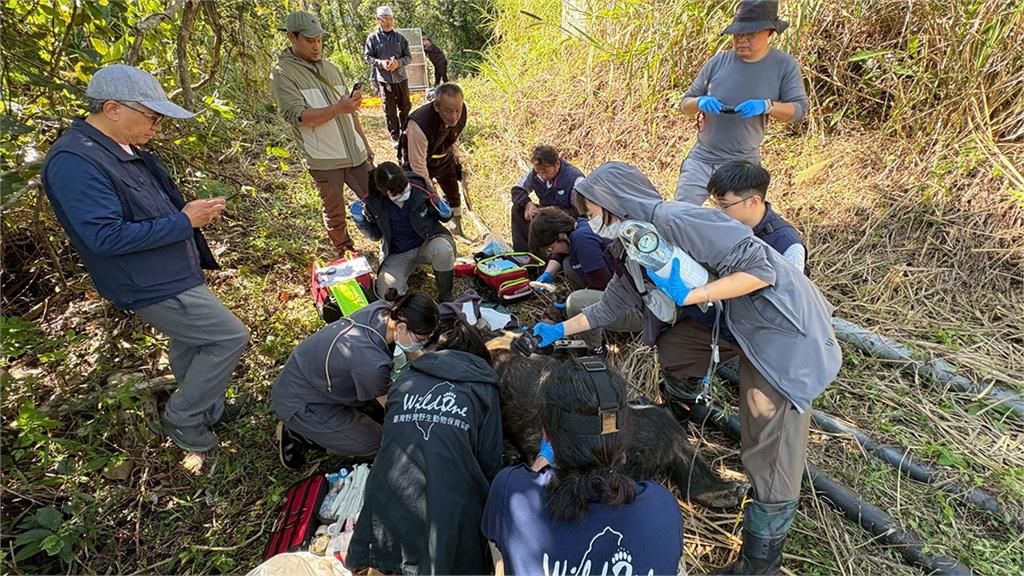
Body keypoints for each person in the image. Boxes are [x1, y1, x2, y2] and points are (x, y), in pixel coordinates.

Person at [531, 162, 841, 575]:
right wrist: (559, 329)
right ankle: (684, 409)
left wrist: (694, 293)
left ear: (613, 203)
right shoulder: (633, 245)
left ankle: (760, 560)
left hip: (779, 329)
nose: (589, 222)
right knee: (676, 346)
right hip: (736, 322)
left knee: (768, 442)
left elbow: (760, 270)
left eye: (591, 212)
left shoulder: (676, 220)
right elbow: (611, 304)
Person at [41, 65, 249, 454]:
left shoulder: (118, 147)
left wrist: (187, 217)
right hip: (150, 281)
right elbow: (104, 237)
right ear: (113, 109)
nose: (156, 126)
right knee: (228, 337)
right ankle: (184, 417)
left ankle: (208, 408)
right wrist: (184, 221)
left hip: (172, 269)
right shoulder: (75, 161)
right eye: (151, 116)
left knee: (191, 341)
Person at [482, 360, 683, 575]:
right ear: (625, 436)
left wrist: (539, 464)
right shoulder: (661, 507)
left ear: (546, 435)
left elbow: (499, 555)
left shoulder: (510, 490)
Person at [348, 318, 503, 574]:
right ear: (478, 355)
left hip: (384, 502)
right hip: (448, 512)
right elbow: (490, 460)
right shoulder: (483, 388)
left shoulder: (404, 380)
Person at [271, 291, 438, 470]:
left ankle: (326, 426)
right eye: (421, 339)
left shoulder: (386, 311)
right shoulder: (371, 364)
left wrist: (435, 370)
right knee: (381, 443)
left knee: (378, 411)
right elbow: (393, 407)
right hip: (302, 402)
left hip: (308, 375)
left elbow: (413, 353)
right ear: (402, 327)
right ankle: (301, 434)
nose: (421, 344)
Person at [674, 0, 807, 205]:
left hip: (743, 162)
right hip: (702, 157)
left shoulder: (783, 65)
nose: (742, 40)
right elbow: (685, 104)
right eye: (738, 34)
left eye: (750, 34)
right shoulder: (718, 62)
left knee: (735, 220)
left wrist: (767, 106)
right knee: (679, 214)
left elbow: (799, 110)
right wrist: (699, 102)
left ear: (769, 32)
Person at [270, 11, 373, 256]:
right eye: (309, 40)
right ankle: (345, 252)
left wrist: (365, 143)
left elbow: (350, 112)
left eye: (319, 40)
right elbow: (297, 116)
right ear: (292, 37)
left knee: (377, 200)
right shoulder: (283, 73)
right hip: (324, 158)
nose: (316, 46)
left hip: (355, 152)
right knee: (335, 212)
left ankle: (390, 241)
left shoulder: (332, 68)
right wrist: (338, 109)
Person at [528, 208, 642, 353]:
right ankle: (591, 325)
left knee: (576, 302)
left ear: (561, 235)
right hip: (628, 296)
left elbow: (606, 288)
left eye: (551, 249)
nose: (553, 252)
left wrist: (574, 305)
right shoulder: (580, 227)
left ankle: (594, 349)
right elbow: (561, 254)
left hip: (637, 309)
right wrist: (548, 273)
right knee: (568, 264)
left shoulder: (582, 240)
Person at [350, 162, 456, 302]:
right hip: (398, 252)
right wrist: (361, 221)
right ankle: (403, 306)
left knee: (443, 250)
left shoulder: (419, 185)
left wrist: (446, 213)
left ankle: (446, 296)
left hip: (428, 241)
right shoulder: (374, 203)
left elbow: (439, 213)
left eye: (405, 188)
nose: (403, 194)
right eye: (396, 193)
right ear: (383, 191)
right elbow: (375, 235)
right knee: (386, 292)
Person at [708, 160, 806, 273]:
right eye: (715, 203)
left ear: (753, 201)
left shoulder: (787, 245)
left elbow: (791, 284)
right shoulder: (727, 222)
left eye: (724, 205)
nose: (718, 210)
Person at [404, 83, 468, 236]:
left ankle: (457, 229)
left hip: (444, 156)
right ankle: (430, 232)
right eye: (448, 111)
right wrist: (433, 194)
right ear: (437, 106)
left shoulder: (461, 111)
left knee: (453, 192)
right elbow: (418, 166)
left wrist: (456, 157)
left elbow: (454, 135)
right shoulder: (419, 124)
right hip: (420, 160)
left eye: (457, 110)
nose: (454, 116)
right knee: (422, 198)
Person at [510, 145, 585, 252]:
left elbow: (581, 211)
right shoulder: (535, 173)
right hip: (543, 214)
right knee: (517, 208)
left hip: (565, 219)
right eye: (539, 172)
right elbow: (517, 190)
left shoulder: (574, 179)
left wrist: (554, 213)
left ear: (557, 164)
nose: (542, 175)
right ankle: (523, 253)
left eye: (545, 171)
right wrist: (528, 204)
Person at [365, 5, 412, 147]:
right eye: (385, 19)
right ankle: (395, 137)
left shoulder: (400, 38)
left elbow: (408, 57)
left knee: (405, 107)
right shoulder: (373, 38)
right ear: (378, 20)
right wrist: (381, 63)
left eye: (391, 18)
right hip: (385, 80)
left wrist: (398, 63)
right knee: (389, 110)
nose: (389, 22)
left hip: (401, 79)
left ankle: (406, 133)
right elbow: (368, 57)